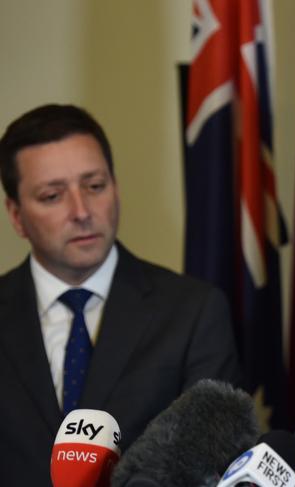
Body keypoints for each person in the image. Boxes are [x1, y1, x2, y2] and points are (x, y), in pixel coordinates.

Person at [0, 104, 242, 485]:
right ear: (15, 215)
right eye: (52, 196)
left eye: (95, 186)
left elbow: (215, 467)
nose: (82, 211)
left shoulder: (194, 311)